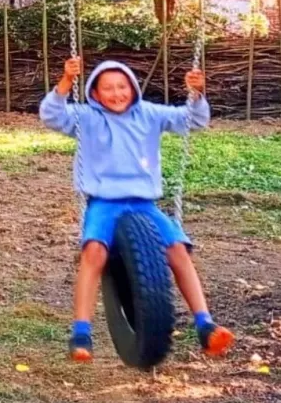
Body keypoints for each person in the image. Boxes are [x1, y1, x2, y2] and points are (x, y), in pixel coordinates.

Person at [40, 56, 234, 363]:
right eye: (108, 88)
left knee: (178, 252)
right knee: (94, 253)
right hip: (104, 203)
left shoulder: (149, 114)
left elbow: (193, 121)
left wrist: (197, 94)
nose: (116, 94)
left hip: (144, 204)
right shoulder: (87, 117)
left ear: (132, 87)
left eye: (122, 87)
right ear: (95, 93)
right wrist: (66, 80)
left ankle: (205, 324)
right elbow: (50, 115)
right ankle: (81, 332)